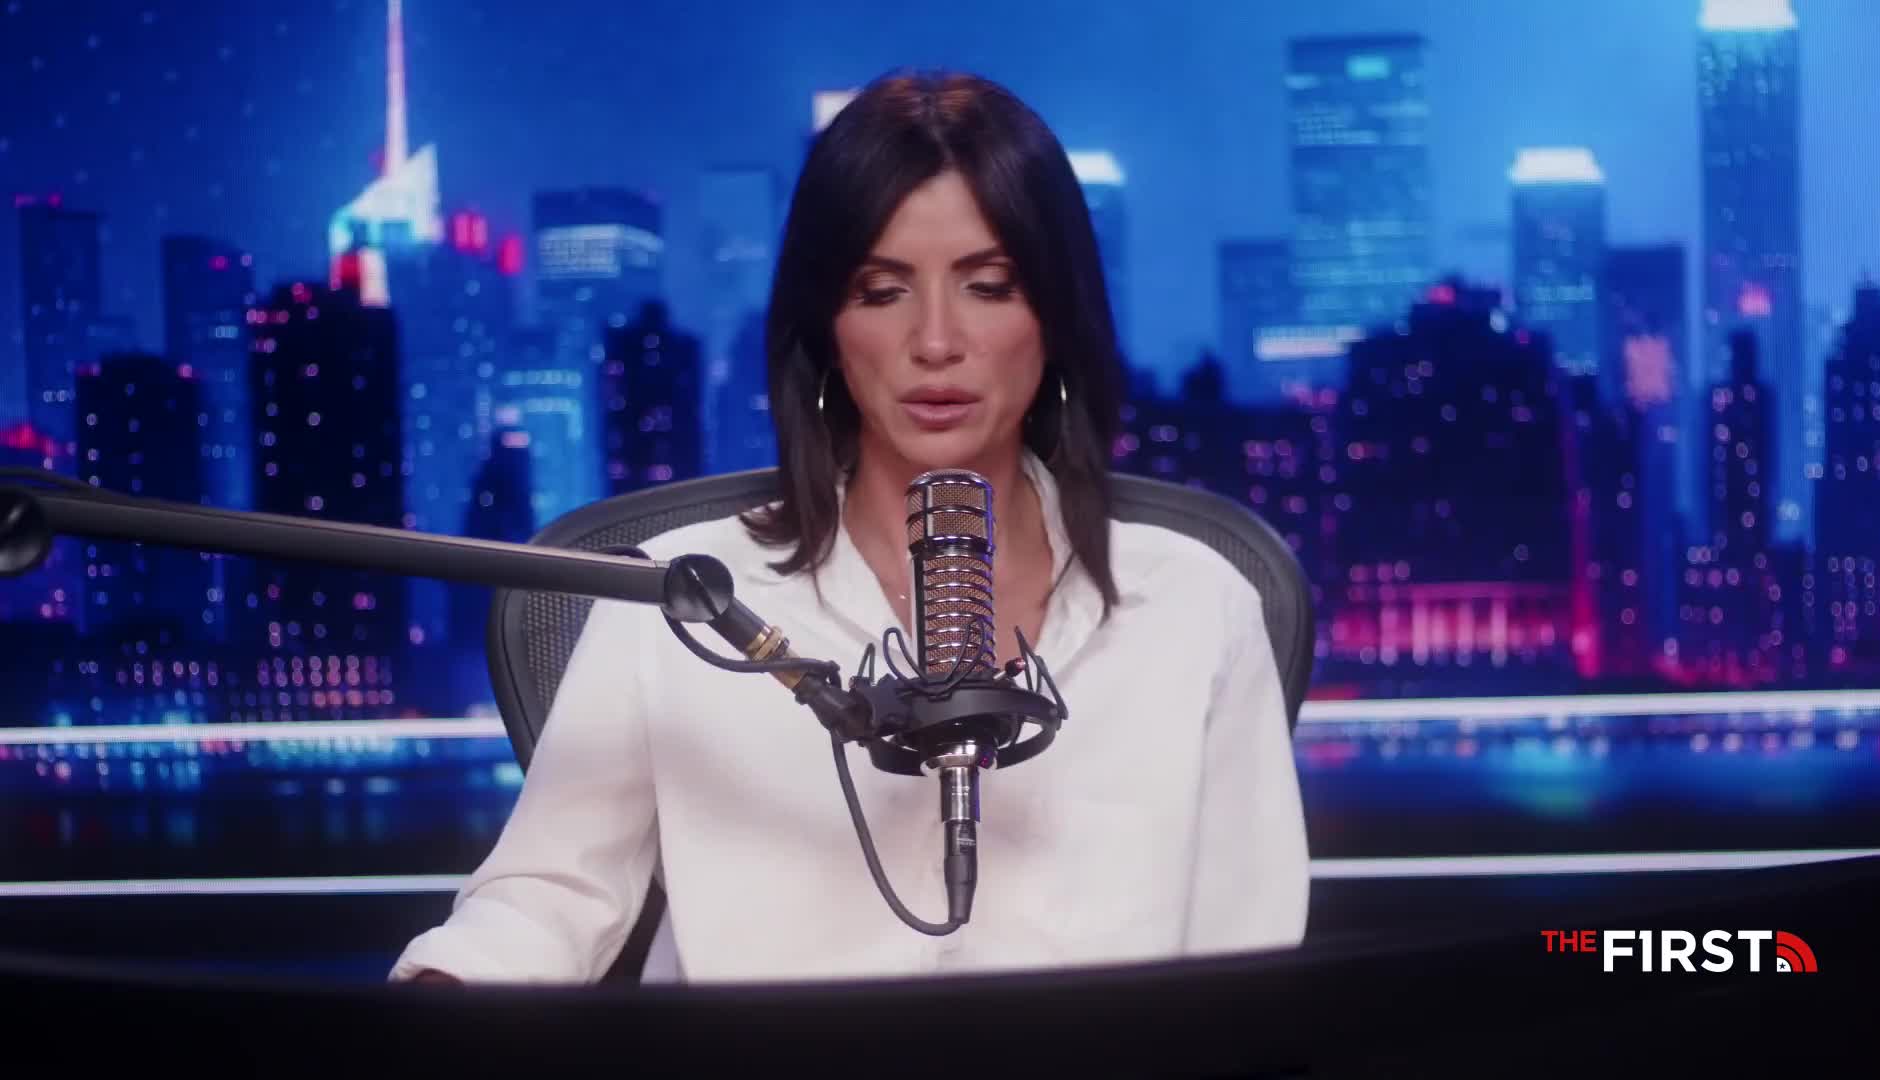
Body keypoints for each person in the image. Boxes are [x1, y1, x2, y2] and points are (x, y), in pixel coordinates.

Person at [391, 69, 1310, 986]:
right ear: (825, 327)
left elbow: (1247, 978)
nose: (936, 341)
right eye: (882, 292)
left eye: (989, 286)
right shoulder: (682, 595)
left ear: (1056, 318)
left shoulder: (1196, 607)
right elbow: (542, 904)